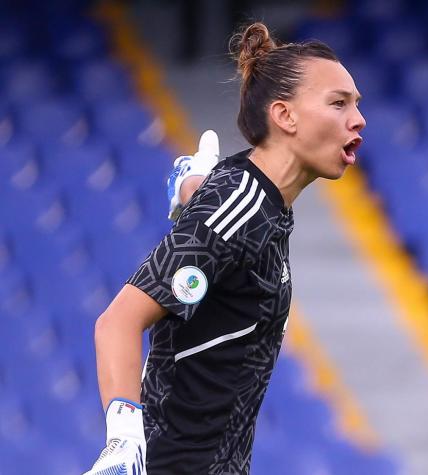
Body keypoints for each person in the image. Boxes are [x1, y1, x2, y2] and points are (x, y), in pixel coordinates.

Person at [85, 21, 365, 474]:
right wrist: (122, 442)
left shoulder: (257, 204)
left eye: (356, 104)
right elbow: (116, 322)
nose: (358, 118)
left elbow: (223, 227)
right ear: (285, 115)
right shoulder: (241, 203)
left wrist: (192, 190)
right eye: (339, 103)